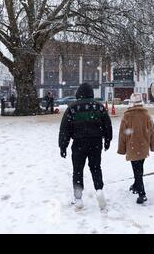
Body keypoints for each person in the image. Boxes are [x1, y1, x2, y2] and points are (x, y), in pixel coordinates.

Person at [58, 83, 112, 211]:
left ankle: (78, 198)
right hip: (96, 142)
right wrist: (107, 140)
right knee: (95, 168)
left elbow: (64, 129)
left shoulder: (72, 108)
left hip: (79, 143)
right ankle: (99, 190)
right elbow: (107, 125)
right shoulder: (99, 107)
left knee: (78, 170)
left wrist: (63, 146)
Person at [118, 93, 154, 204]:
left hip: (132, 146)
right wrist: (153, 145)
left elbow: (122, 133)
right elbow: (152, 131)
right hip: (143, 145)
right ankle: (136, 185)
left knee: (137, 170)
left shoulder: (127, 115)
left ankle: (142, 194)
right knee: (139, 167)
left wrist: (121, 148)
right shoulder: (146, 115)